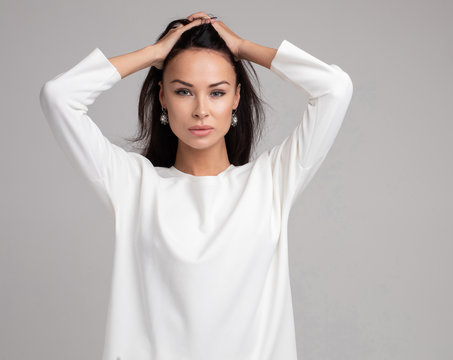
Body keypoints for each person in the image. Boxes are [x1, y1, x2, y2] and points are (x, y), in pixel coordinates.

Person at [39, 11, 353, 360]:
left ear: (236, 98)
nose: (201, 110)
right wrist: (155, 53)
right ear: (162, 98)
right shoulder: (134, 185)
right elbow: (59, 96)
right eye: (184, 91)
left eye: (217, 92)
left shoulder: (269, 182)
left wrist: (243, 48)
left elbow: (334, 89)